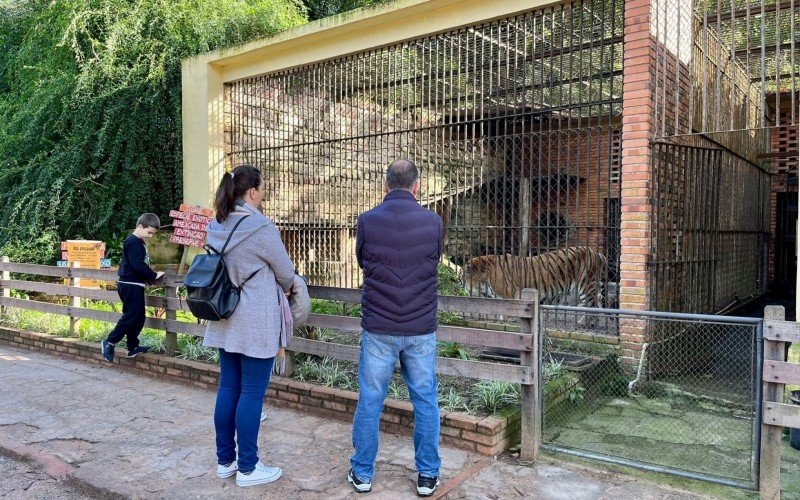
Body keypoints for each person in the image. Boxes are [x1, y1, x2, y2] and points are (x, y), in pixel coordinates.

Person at [348, 159, 444, 497]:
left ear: (385, 186)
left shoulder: (367, 221)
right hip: (420, 328)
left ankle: (362, 473)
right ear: (416, 187)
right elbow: (433, 260)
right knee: (425, 401)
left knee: (371, 400)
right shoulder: (433, 222)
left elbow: (363, 261)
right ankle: (428, 475)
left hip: (379, 326)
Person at [202, 164, 295, 488]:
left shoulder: (217, 222)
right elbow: (285, 274)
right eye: (263, 187)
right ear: (253, 191)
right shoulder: (260, 227)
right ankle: (249, 468)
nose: (264, 191)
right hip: (254, 319)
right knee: (253, 394)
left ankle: (225, 461)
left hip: (224, 315)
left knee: (228, 388)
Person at [101, 213, 164, 363]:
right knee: (131, 316)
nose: (150, 236)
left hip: (133, 284)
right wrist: (153, 275)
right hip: (130, 285)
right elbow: (138, 265)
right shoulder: (133, 242)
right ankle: (109, 342)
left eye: (152, 234)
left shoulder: (138, 241)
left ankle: (132, 347)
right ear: (140, 226)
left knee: (138, 317)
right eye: (149, 232)